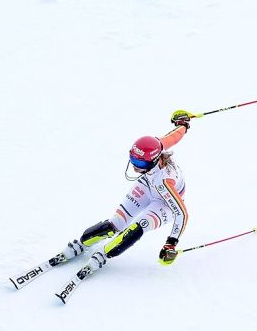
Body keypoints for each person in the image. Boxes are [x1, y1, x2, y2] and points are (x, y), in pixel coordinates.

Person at [54, 110, 192, 280]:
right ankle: (82, 243)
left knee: (139, 226)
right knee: (115, 224)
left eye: (140, 163)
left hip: (164, 203)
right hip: (147, 186)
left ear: (155, 160)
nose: (135, 166)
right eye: (133, 159)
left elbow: (182, 213)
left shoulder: (165, 182)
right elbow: (175, 136)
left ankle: (104, 254)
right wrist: (183, 124)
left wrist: (171, 243)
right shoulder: (158, 145)